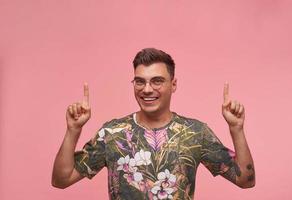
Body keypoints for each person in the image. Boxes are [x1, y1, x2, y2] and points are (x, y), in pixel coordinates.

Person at [52, 48, 255, 199]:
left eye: (157, 81)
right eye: (140, 81)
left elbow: (246, 180)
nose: (147, 89)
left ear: (173, 84)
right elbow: (62, 180)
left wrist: (236, 129)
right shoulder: (112, 133)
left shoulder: (195, 133)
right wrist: (73, 130)